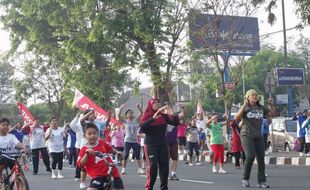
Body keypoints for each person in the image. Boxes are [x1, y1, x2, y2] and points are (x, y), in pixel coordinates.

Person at [140, 98, 184, 190]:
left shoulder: (163, 116)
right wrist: (153, 118)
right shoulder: (147, 115)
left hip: (163, 144)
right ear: (150, 105)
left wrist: (172, 113)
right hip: (150, 145)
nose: (157, 104)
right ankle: (149, 187)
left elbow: (175, 122)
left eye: (158, 103)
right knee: (153, 167)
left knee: (164, 166)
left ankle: (164, 187)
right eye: (154, 103)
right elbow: (142, 128)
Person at [234, 89, 274, 188]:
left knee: (261, 158)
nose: (255, 96)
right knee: (251, 156)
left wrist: (271, 109)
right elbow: (236, 117)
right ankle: (245, 178)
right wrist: (243, 106)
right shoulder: (245, 107)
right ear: (247, 97)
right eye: (252, 95)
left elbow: (270, 114)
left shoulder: (261, 108)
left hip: (258, 135)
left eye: (256, 95)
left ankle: (261, 182)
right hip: (247, 135)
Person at [77, 122, 124, 190]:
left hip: (112, 171)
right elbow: (80, 164)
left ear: (98, 134)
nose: (92, 135)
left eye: (94, 133)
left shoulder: (102, 143)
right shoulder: (84, 149)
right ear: (84, 136)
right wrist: (87, 154)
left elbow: (110, 149)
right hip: (98, 175)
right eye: (89, 134)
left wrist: (118, 152)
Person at [0, 118, 26, 189]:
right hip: (2, 160)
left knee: (21, 175)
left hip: (12, 158)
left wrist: (24, 147)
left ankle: (18, 183)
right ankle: (0, 179)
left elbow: (18, 144)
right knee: (2, 158)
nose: (5, 126)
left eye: (7, 125)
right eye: (3, 125)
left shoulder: (11, 136)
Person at [118, 104, 144, 175]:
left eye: (131, 113)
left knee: (137, 155)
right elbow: (119, 115)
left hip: (135, 140)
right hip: (127, 141)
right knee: (126, 155)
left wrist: (138, 107)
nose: (130, 114)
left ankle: (140, 169)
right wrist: (121, 108)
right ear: (126, 115)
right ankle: (123, 169)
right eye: (128, 113)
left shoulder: (136, 120)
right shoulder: (125, 121)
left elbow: (141, 113)